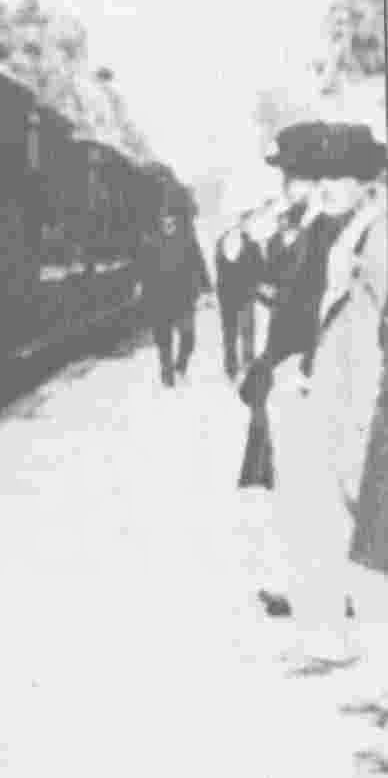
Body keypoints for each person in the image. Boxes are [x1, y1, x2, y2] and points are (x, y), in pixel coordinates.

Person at [241, 122, 388, 664]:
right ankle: (334, 642)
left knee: (362, 526)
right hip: (330, 391)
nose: (325, 185)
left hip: (362, 395)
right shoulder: (337, 229)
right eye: (320, 175)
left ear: (366, 182)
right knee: (328, 522)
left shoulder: (375, 234)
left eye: (338, 176)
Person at [139, 195, 212, 387]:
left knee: (189, 338)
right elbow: (145, 271)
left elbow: (199, 264)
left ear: (176, 222)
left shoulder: (187, 241)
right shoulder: (152, 243)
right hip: (160, 300)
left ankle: (180, 367)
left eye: (171, 221)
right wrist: (144, 295)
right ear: (160, 223)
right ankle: (167, 375)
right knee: (164, 342)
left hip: (184, 299)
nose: (168, 224)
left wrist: (206, 288)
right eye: (165, 221)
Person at [215, 209, 264, 379]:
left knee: (247, 331)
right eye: (244, 222)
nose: (246, 225)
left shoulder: (252, 244)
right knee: (230, 332)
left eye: (247, 223)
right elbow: (219, 268)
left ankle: (247, 363)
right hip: (227, 295)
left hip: (245, 294)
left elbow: (260, 269)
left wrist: (258, 285)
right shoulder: (222, 242)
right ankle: (231, 368)